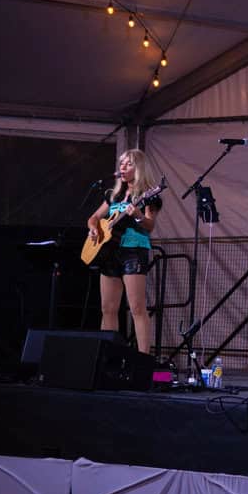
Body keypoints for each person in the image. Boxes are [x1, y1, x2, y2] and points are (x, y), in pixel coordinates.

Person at [86, 149, 162, 354]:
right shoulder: (114, 194)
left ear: (139, 168)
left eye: (128, 164)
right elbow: (94, 218)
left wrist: (137, 215)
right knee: (107, 308)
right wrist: (94, 228)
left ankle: (144, 358)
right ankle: (107, 355)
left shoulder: (148, 195)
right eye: (122, 163)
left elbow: (149, 226)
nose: (123, 167)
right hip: (109, 252)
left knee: (137, 308)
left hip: (134, 251)